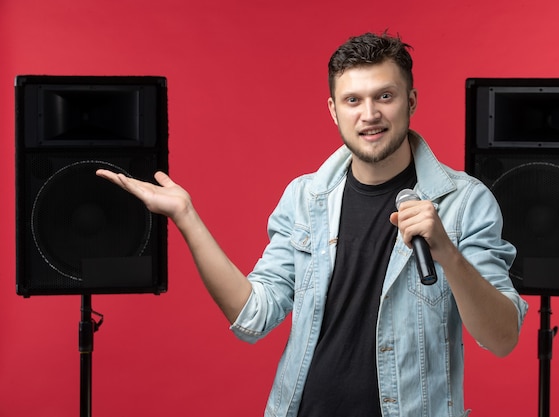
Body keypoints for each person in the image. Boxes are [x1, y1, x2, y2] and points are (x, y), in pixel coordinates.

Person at [97, 32, 528, 417]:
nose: (370, 114)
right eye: (353, 100)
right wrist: (185, 216)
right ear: (333, 109)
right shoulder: (305, 199)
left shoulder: (464, 202)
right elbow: (253, 315)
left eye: (385, 96)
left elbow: (503, 337)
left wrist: (447, 253)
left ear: (411, 101)